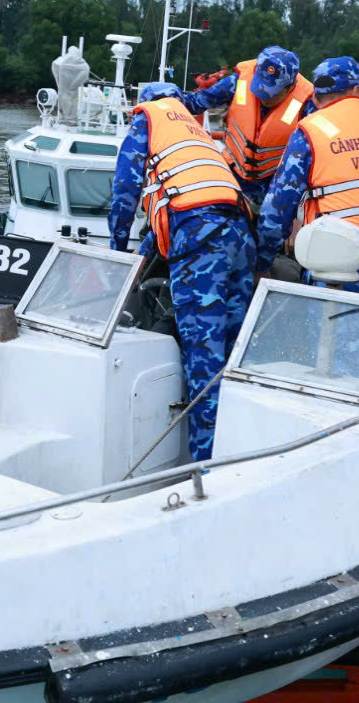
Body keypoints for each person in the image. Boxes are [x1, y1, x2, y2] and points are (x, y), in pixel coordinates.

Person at [107, 83, 254, 461]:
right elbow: (180, 202)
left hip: (202, 238)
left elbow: (125, 190)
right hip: (239, 232)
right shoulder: (196, 132)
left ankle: (204, 470)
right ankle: (242, 449)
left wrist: (115, 253)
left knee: (204, 358)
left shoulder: (147, 121)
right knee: (236, 352)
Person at [252, 56, 359, 298]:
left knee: (328, 335)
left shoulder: (311, 131)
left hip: (335, 270)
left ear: (315, 95)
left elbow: (277, 209)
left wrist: (262, 263)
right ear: (357, 89)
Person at [177, 45, 315, 208]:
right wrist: (165, 102)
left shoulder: (308, 103)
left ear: (290, 87)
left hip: (272, 186)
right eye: (259, 88)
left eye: (272, 93)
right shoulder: (239, 80)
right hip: (231, 174)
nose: (264, 98)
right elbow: (197, 102)